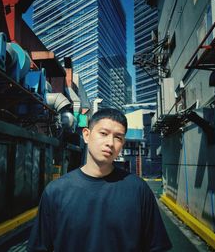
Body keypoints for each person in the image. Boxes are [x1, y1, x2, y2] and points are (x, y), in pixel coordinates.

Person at [27, 108, 172, 252]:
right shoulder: (55, 191)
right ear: (86, 135)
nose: (110, 142)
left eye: (118, 137)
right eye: (103, 133)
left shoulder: (139, 190)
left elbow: (156, 246)